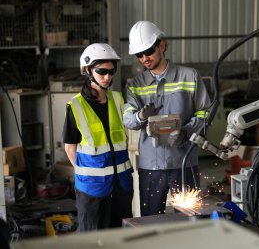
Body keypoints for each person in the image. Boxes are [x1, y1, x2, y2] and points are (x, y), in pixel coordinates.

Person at [123, 21, 211, 216]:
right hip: (150, 167)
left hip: (184, 162)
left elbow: (205, 113)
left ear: (162, 45)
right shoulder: (135, 85)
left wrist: (186, 132)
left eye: (148, 51)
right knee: (151, 223)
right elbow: (128, 120)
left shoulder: (190, 77)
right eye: (139, 55)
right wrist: (140, 116)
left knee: (190, 222)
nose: (144, 58)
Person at [63, 43, 133, 232]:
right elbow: (70, 147)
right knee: (92, 236)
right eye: (102, 71)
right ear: (88, 70)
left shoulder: (118, 100)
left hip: (121, 184)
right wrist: (85, 175)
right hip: (91, 189)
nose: (107, 77)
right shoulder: (76, 106)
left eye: (111, 72)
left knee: (121, 234)